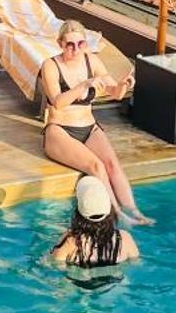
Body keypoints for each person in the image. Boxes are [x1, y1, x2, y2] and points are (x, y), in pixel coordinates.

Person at [39, 18, 150, 224]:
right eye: (70, 44)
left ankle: (134, 211)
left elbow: (114, 92)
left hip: (88, 127)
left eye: (80, 44)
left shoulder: (92, 61)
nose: (75, 48)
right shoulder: (51, 66)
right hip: (59, 130)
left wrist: (123, 85)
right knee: (96, 166)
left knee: (112, 163)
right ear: (60, 44)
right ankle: (117, 214)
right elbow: (58, 102)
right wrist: (84, 84)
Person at [50, 174, 139, 271]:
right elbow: (136, 263)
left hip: (79, 283)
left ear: (78, 212)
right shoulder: (124, 239)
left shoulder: (70, 241)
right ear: (110, 210)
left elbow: (52, 265)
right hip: (115, 285)